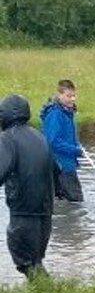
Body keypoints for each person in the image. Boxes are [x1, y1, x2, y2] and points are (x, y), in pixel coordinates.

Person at [0, 94, 54, 278]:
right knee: (36, 260)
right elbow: (57, 169)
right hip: (45, 212)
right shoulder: (39, 136)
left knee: (25, 261)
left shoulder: (7, 138)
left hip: (23, 212)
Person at [40, 79, 84, 202]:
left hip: (66, 163)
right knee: (76, 202)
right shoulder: (55, 114)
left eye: (74, 95)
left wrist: (76, 146)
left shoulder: (67, 112)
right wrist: (75, 150)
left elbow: (66, 136)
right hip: (61, 165)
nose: (72, 99)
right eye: (68, 96)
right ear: (59, 95)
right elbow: (52, 141)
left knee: (62, 201)